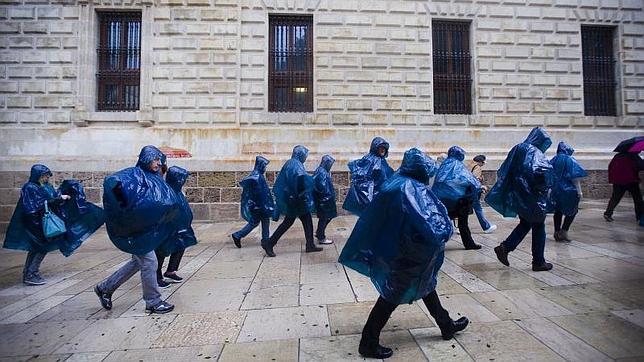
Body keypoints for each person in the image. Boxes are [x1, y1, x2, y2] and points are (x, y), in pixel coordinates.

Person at [339, 148, 468, 359]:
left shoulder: (397, 182)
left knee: (426, 285)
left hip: (402, 248)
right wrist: (445, 230)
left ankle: (446, 324)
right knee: (391, 296)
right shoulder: (410, 188)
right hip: (409, 252)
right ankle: (368, 342)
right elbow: (429, 223)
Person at [95, 145, 177, 314]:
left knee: (137, 263)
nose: (158, 162)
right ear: (146, 159)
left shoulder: (153, 176)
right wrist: (124, 205)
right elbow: (112, 182)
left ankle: (105, 288)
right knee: (150, 262)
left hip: (144, 229)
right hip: (134, 229)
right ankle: (153, 302)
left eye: (159, 159)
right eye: (155, 159)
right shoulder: (133, 174)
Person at [3, 165, 104, 285]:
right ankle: (31, 273)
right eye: (45, 176)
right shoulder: (30, 188)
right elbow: (37, 205)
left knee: (36, 248)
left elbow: (49, 199)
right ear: (39, 176)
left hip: (41, 222)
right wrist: (59, 198)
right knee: (41, 247)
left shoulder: (42, 186)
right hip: (37, 223)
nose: (47, 178)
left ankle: (29, 272)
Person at [486, 127, 555, 272]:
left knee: (526, 222)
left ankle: (505, 247)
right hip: (533, 196)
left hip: (519, 194)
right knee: (538, 225)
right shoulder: (534, 152)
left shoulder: (518, 148)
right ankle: (538, 261)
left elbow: (506, 169)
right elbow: (540, 171)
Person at [264, 145, 323, 257]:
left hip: (294, 199)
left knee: (305, 220)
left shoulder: (291, 163)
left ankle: (310, 244)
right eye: (305, 155)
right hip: (296, 200)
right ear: (299, 154)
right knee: (288, 222)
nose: (305, 158)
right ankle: (270, 243)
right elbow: (299, 180)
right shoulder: (295, 165)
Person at [432, 146, 482, 250]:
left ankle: (435, 241)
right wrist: (478, 186)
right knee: (463, 222)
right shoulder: (458, 166)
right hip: (459, 200)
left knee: (443, 220)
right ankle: (469, 244)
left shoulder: (444, 165)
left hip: (442, 199)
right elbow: (469, 179)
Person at [156, 166, 197, 287]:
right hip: (167, 228)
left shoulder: (179, 192)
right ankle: (157, 275)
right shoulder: (166, 192)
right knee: (161, 252)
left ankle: (171, 271)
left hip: (180, 227)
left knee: (180, 246)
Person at [343, 137, 394, 216]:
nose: (383, 150)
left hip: (381, 196)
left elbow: (389, 174)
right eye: (381, 148)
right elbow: (363, 180)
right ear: (375, 147)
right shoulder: (370, 160)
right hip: (374, 197)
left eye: (384, 148)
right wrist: (369, 199)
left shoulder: (382, 161)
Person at [231, 156, 274, 248]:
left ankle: (264, 240)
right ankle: (264, 240)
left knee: (257, 222)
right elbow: (260, 194)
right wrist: (264, 205)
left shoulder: (257, 175)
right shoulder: (257, 177)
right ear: (261, 165)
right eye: (264, 166)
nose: (265, 168)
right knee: (258, 222)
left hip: (258, 206)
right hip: (259, 206)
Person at [549, 142, 587, 242]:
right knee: (573, 210)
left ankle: (557, 231)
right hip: (568, 190)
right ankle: (564, 231)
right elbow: (575, 177)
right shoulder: (570, 160)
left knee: (558, 210)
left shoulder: (553, 159)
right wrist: (579, 192)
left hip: (556, 189)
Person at [603, 151, 643, 223]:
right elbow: (640, 166)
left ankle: (608, 213)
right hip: (631, 180)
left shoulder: (617, 156)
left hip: (618, 181)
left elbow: (611, 166)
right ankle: (639, 216)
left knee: (615, 197)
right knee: (637, 199)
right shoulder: (633, 156)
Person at [313, 155, 337, 245]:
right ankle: (321, 236)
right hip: (324, 200)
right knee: (324, 218)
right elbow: (323, 187)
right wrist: (328, 197)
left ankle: (319, 232)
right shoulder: (322, 172)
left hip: (324, 200)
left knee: (325, 218)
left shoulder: (321, 170)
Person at [470, 155, 497, 233]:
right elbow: (474, 180)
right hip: (474, 192)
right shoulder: (477, 167)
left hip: (468, 191)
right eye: (483, 163)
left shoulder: (469, 165)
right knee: (478, 209)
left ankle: (460, 228)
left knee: (466, 209)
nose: (483, 164)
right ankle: (486, 227)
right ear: (480, 162)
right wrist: (481, 186)